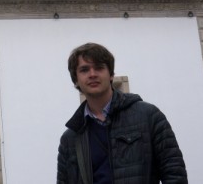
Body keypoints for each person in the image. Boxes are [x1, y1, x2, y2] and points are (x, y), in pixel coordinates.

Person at [56, 43, 188, 184]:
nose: (92, 74)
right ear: (76, 80)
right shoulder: (70, 137)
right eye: (84, 70)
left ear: (111, 75)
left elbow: (175, 174)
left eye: (99, 68)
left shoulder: (148, 116)